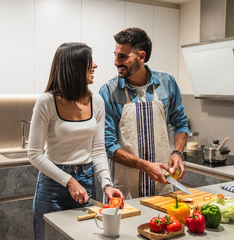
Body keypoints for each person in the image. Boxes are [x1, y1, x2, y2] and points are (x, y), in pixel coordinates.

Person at [28, 42, 124, 240]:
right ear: (74, 68)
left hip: (86, 182)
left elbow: (97, 149)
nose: (95, 66)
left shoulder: (96, 101)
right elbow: (34, 153)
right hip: (52, 186)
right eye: (90, 62)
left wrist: (107, 185)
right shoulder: (47, 101)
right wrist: (69, 180)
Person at [99, 27, 190, 199]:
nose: (116, 62)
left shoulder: (167, 83)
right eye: (116, 55)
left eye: (123, 56)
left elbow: (180, 123)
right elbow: (108, 145)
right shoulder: (108, 91)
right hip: (124, 187)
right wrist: (144, 165)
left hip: (160, 183)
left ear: (141, 56)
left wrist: (177, 152)